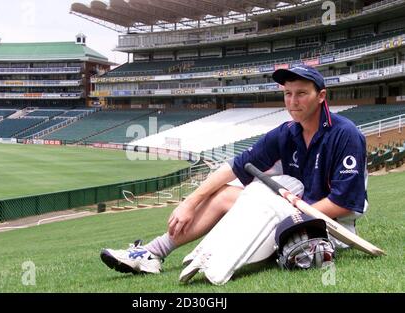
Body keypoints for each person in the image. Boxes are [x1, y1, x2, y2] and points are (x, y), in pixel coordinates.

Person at [100, 65, 368, 275]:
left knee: (262, 201)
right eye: (288, 93)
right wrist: (190, 202)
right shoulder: (286, 133)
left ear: (321, 96)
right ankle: (153, 254)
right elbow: (235, 166)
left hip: (330, 226)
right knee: (227, 193)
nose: (293, 101)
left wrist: (290, 220)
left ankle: (223, 253)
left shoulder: (345, 134)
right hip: (294, 213)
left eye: (301, 93)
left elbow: (343, 203)